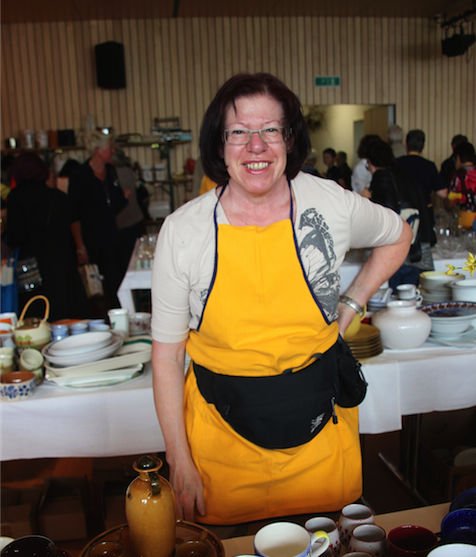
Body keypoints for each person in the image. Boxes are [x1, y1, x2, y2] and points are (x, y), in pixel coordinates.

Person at [151, 72, 411, 525]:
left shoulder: (328, 204)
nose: (256, 146)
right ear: (219, 144)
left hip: (320, 443)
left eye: (270, 129)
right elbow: (168, 356)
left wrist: (351, 304)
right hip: (221, 449)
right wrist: (179, 459)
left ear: (289, 139)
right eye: (239, 132)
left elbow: (398, 234)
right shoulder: (184, 230)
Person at [6, 152, 89, 321]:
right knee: (65, 315)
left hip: (32, 270)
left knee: (36, 314)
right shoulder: (58, 197)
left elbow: (17, 236)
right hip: (61, 265)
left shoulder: (16, 198)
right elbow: (71, 225)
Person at [68, 131, 130, 310]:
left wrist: (124, 198)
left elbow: (115, 202)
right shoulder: (79, 175)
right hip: (90, 241)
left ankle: (118, 317)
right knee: (93, 287)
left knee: (116, 282)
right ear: (97, 150)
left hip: (111, 238)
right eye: (109, 148)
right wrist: (80, 247)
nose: (112, 151)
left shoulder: (110, 171)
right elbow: (73, 214)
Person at [365, 140, 435, 290]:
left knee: (390, 299)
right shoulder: (407, 177)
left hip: (394, 253)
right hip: (418, 250)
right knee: (411, 298)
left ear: (370, 163)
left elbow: (385, 213)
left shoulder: (381, 176)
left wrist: (366, 201)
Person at [397, 129, 448, 233]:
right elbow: (443, 193)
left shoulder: (397, 163)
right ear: (423, 147)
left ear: (406, 145)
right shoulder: (429, 166)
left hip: (402, 211)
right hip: (424, 212)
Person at [113, 148, 145, 278]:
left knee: (127, 263)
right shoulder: (127, 170)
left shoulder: (115, 173)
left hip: (124, 222)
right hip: (135, 218)